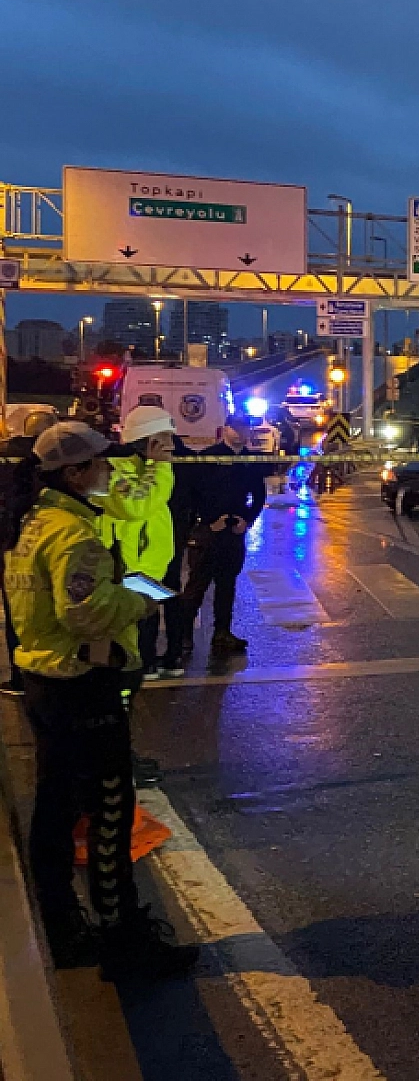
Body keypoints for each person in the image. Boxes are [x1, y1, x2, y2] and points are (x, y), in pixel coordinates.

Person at [3, 421, 199, 978]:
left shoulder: (33, 523)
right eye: (98, 463)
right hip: (82, 688)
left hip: (45, 682)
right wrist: (136, 603)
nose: (107, 470)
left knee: (55, 811)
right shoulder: (73, 535)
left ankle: (64, 928)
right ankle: (125, 942)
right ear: (73, 472)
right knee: (109, 817)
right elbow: (84, 612)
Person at [101, 407, 182, 680]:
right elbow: (136, 506)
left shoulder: (142, 466)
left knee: (145, 624)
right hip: (128, 567)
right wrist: (160, 466)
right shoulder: (113, 469)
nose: (171, 444)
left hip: (148, 565)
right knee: (128, 631)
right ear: (148, 439)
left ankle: (141, 666)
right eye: (165, 437)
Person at [180, 421, 267, 657]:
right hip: (208, 532)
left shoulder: (250, 460)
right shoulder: (208, 457)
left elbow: (259, 495)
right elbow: (194, 494)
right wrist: (208, 522)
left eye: (244, 429)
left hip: (233, 531)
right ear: (225, 429)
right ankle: (183, 635)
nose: (240, 433)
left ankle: (222, 634)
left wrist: (246, 520)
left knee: (227, 586)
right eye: (235, 429)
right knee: (197, 585)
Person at [3, 408, 58, 698]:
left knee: (17, 609)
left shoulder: (9, 455)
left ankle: (19, 674)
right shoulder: (53, 459)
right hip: (48, 538)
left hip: (12, 543)